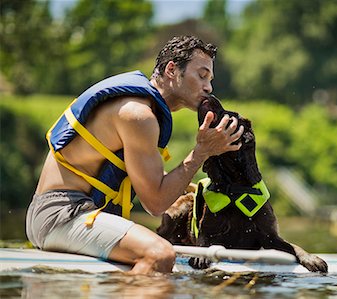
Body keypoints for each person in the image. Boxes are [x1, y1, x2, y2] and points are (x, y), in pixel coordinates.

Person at [25, 35, 244, 275]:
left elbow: (158, 183)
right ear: (172, 70)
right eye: (201, 75)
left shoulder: (143, 111)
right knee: (159, 254)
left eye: (210, 79)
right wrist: (202, 151)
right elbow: (156, 203)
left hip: (55, 214)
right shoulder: (138, 115)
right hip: (62, 214)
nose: (208, 88)